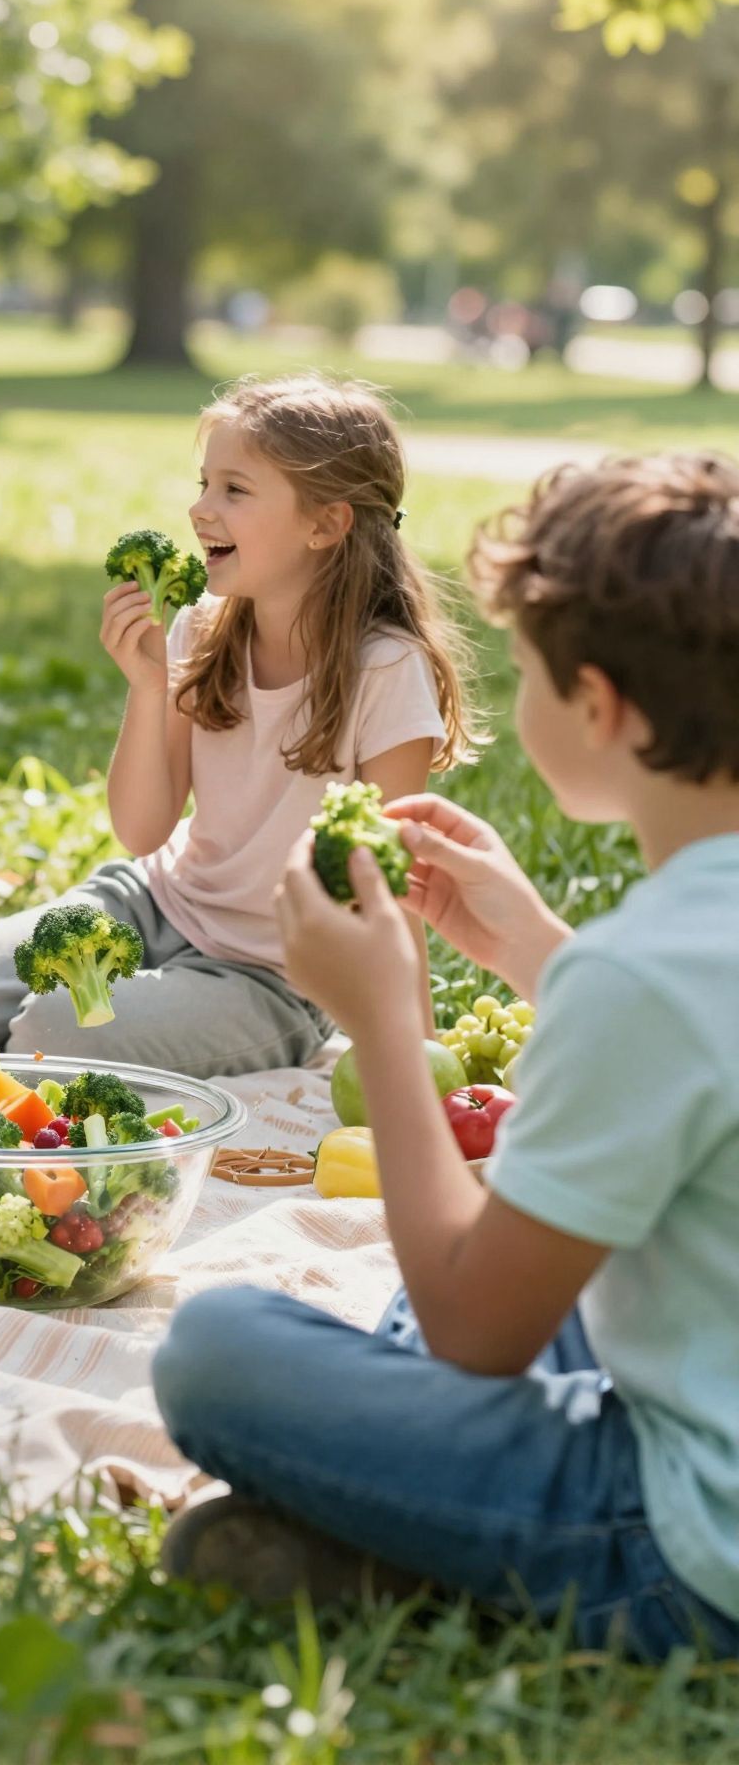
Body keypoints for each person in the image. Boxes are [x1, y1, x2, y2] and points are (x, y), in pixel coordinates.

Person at [152, 453, 739, 1663]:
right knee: (515, 1258)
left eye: (522, 672)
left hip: (687, 1538)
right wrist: (533, 945)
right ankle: (388, 1522)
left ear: (601, 705)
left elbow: (477, 1330)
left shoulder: (646, 973)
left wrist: (379, 1019)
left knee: (217, 1351)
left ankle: (399, 1543)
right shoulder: (673, 947)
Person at [0, 374, 473, 1080]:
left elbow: (391, 889)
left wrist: (424, 1069)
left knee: (58, 1031)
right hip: (152, 905)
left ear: (325, 524)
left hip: (271, 976)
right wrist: (148, 686)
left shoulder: (386, 669)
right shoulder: (200, 626)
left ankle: (49, 1054)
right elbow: (142, 832)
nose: (200, 510)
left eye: (234, 489)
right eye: (204, 484)